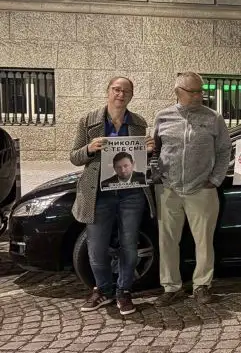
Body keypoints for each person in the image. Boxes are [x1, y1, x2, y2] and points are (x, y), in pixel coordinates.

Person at [71, 76, 155, 316]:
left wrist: (148, 151)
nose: (120, 94)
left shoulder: (138, 123)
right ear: (108, 91)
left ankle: (124, 291)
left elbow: (139, 160)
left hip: (131, 193)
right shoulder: (88, 121)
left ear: (131, 95)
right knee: (96, 247)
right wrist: (89, 148)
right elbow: (74, 157)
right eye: (116, 89)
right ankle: (103, 290)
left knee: (129, 244)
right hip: (99, 193)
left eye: (126, 91)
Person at [152, 72, 231, 306]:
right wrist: (157, 173)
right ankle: (171, 287)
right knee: (167, 241)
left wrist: (215, 179)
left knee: (204, 241)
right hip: (169, 189)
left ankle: (202, 286)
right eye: (193, 92)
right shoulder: (162, 117)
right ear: (178, 92)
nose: (199, 96)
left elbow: (224, 150)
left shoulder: (214, 118)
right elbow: (155, 150)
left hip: (202, 189)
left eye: (200, 91)